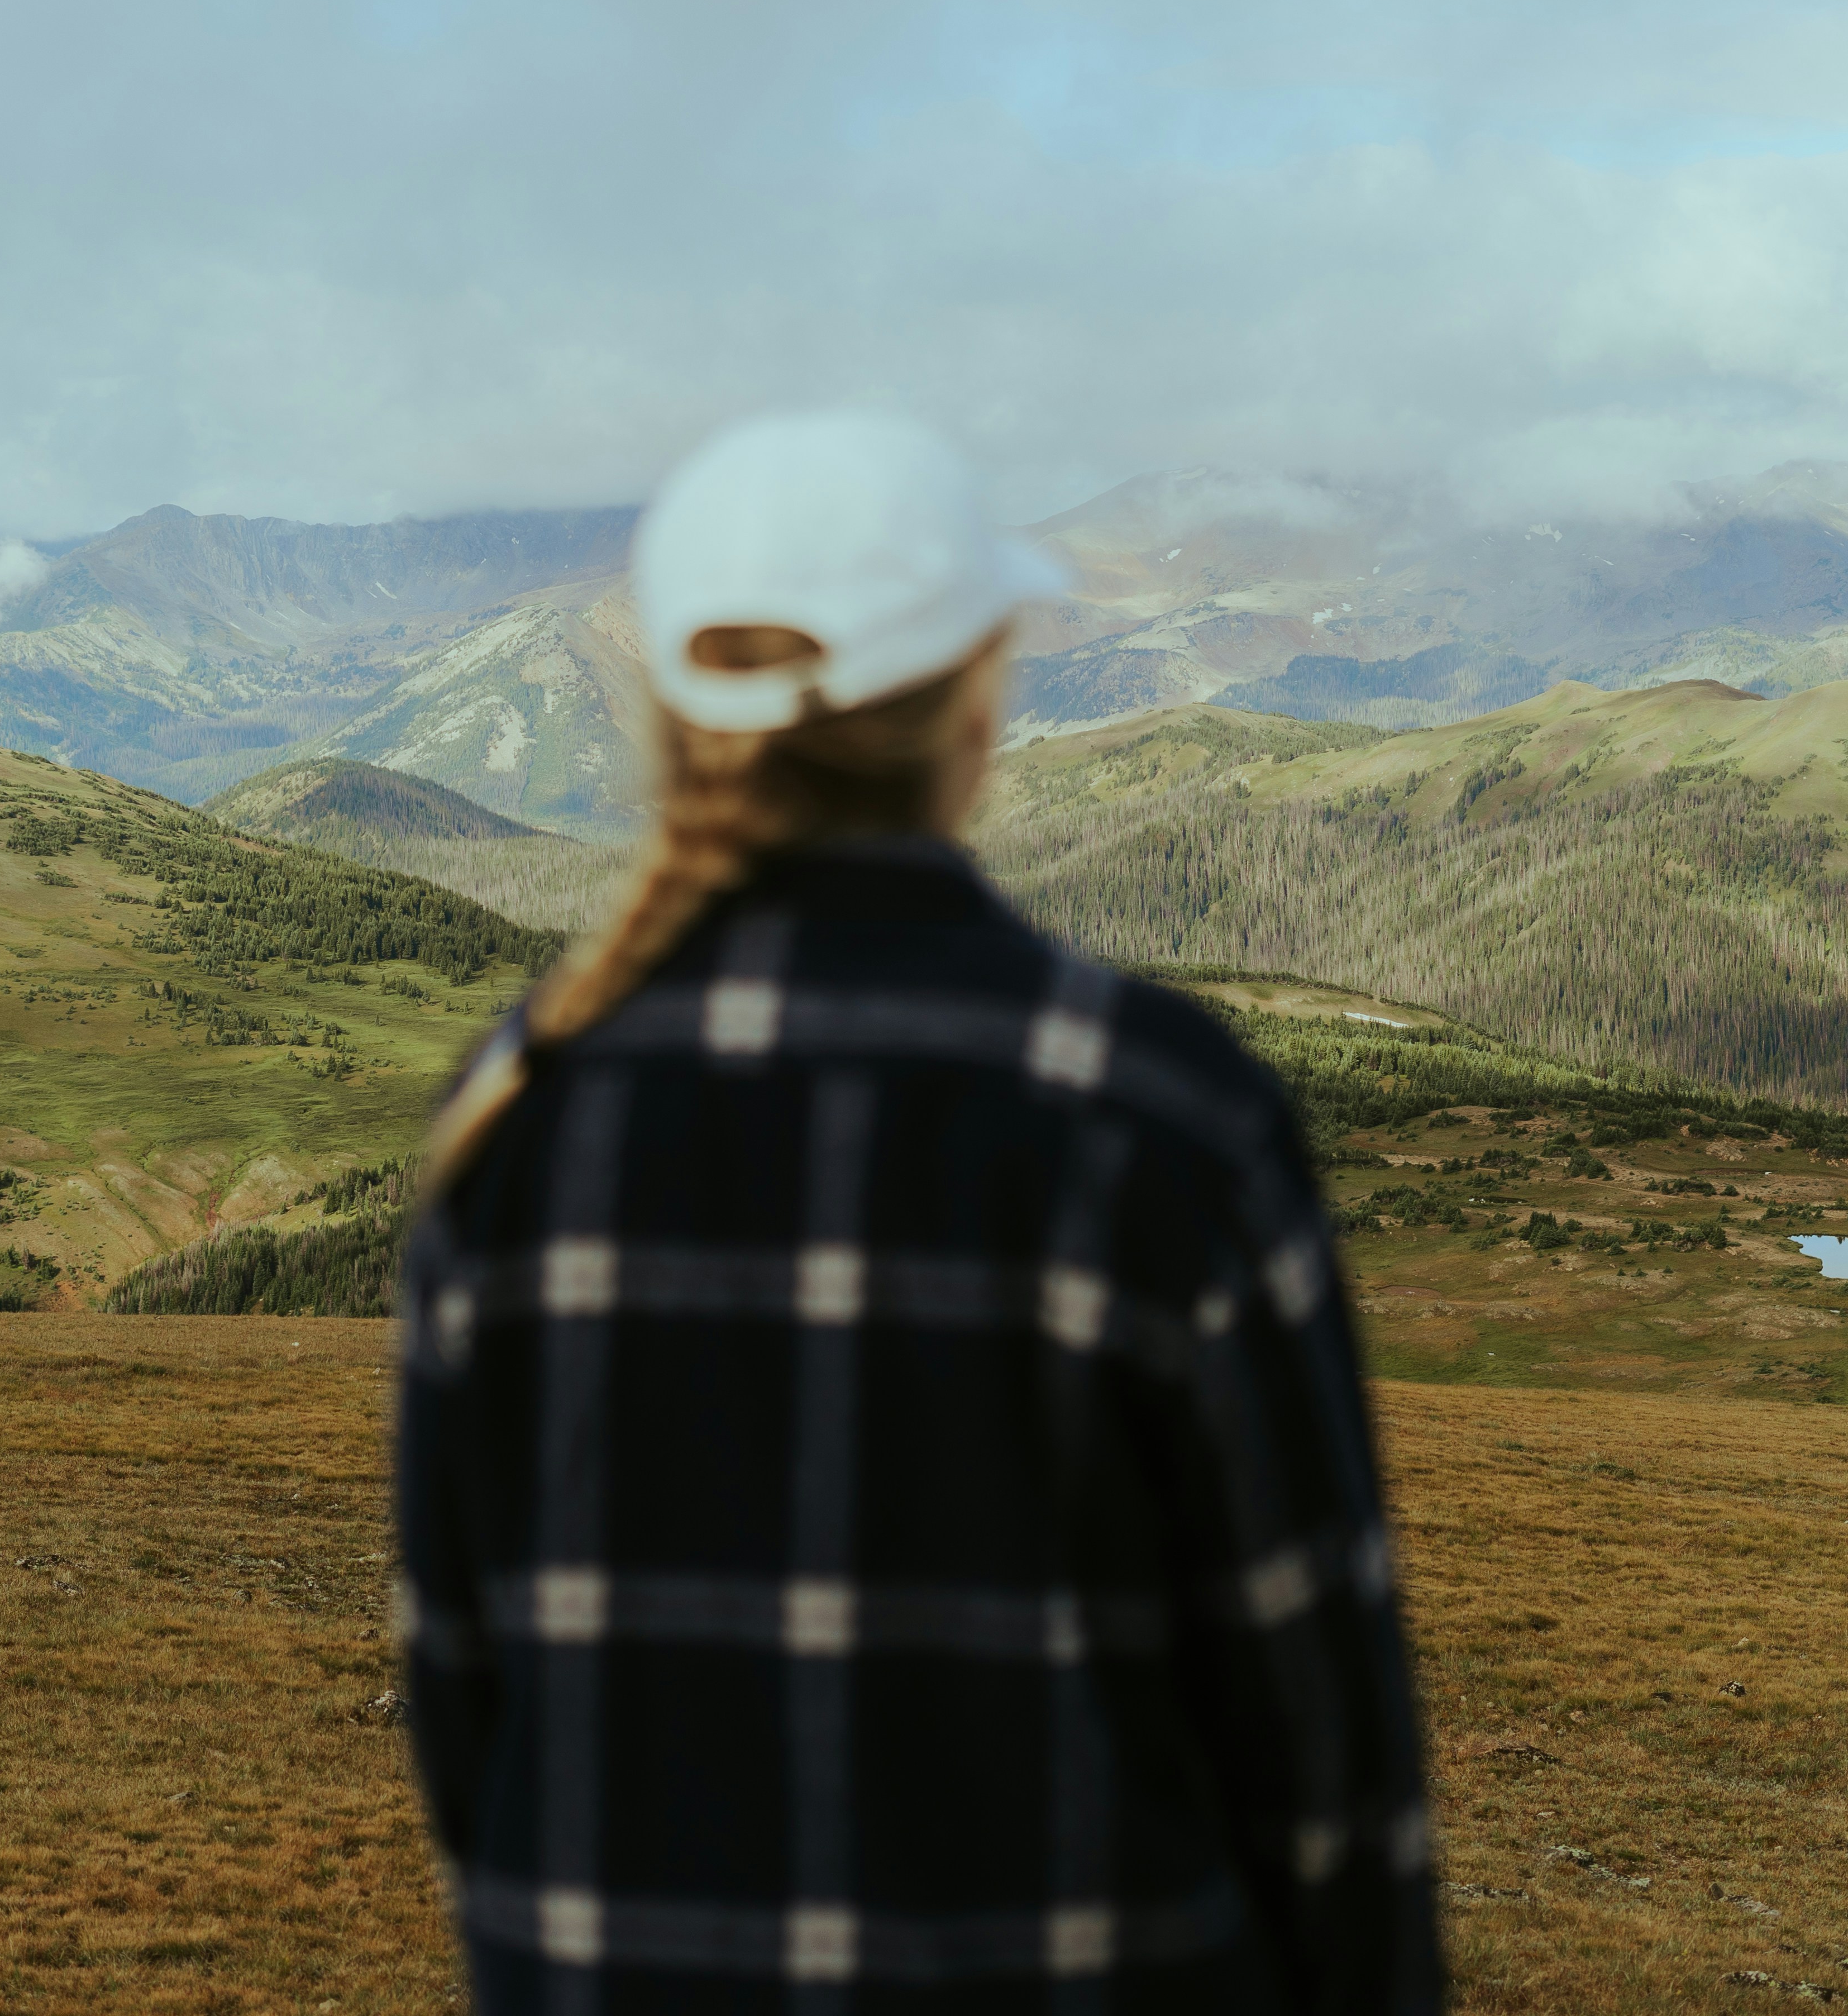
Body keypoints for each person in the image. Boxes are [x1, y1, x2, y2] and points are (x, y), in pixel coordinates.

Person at [395, 413, 1442, 2013]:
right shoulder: (1154, 1114)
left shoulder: (524, 1111)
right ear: (976, 698)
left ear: (674, 713)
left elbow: (473, 1702)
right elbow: (1321, 1743)